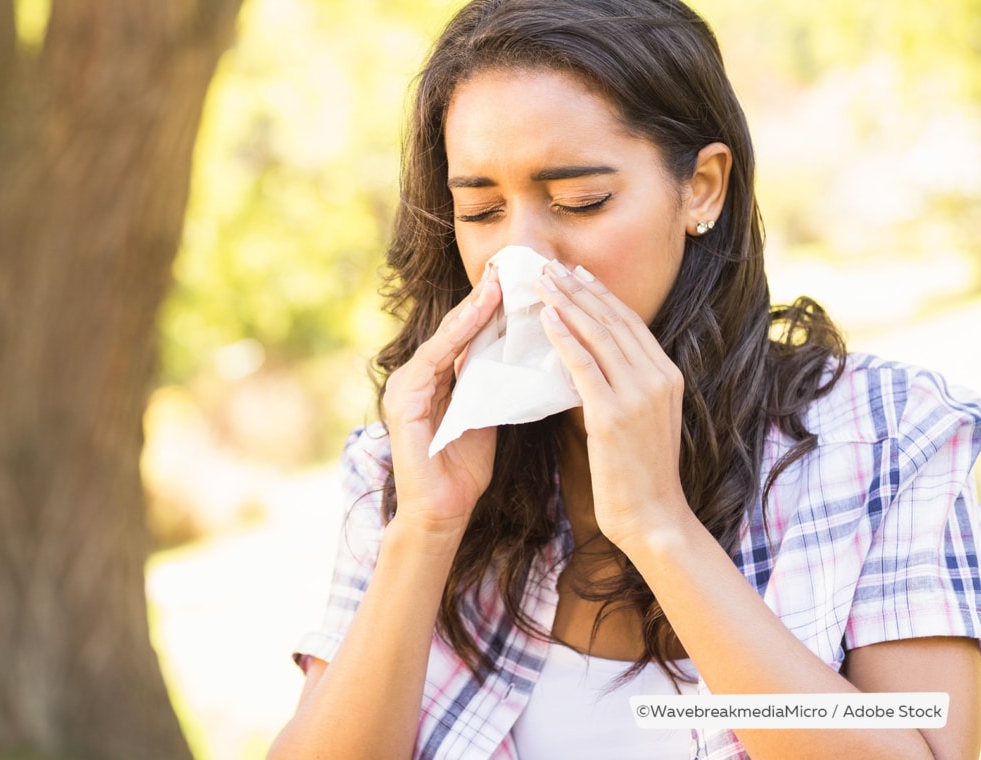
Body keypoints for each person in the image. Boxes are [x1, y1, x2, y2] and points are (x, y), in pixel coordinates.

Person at [268, 1, 981, 758]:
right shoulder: (402, 466)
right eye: (482, 210)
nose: (523, 261)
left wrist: (658, 526)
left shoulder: (893, 438)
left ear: (702, 187)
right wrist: (425, 531)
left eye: (581, 201)